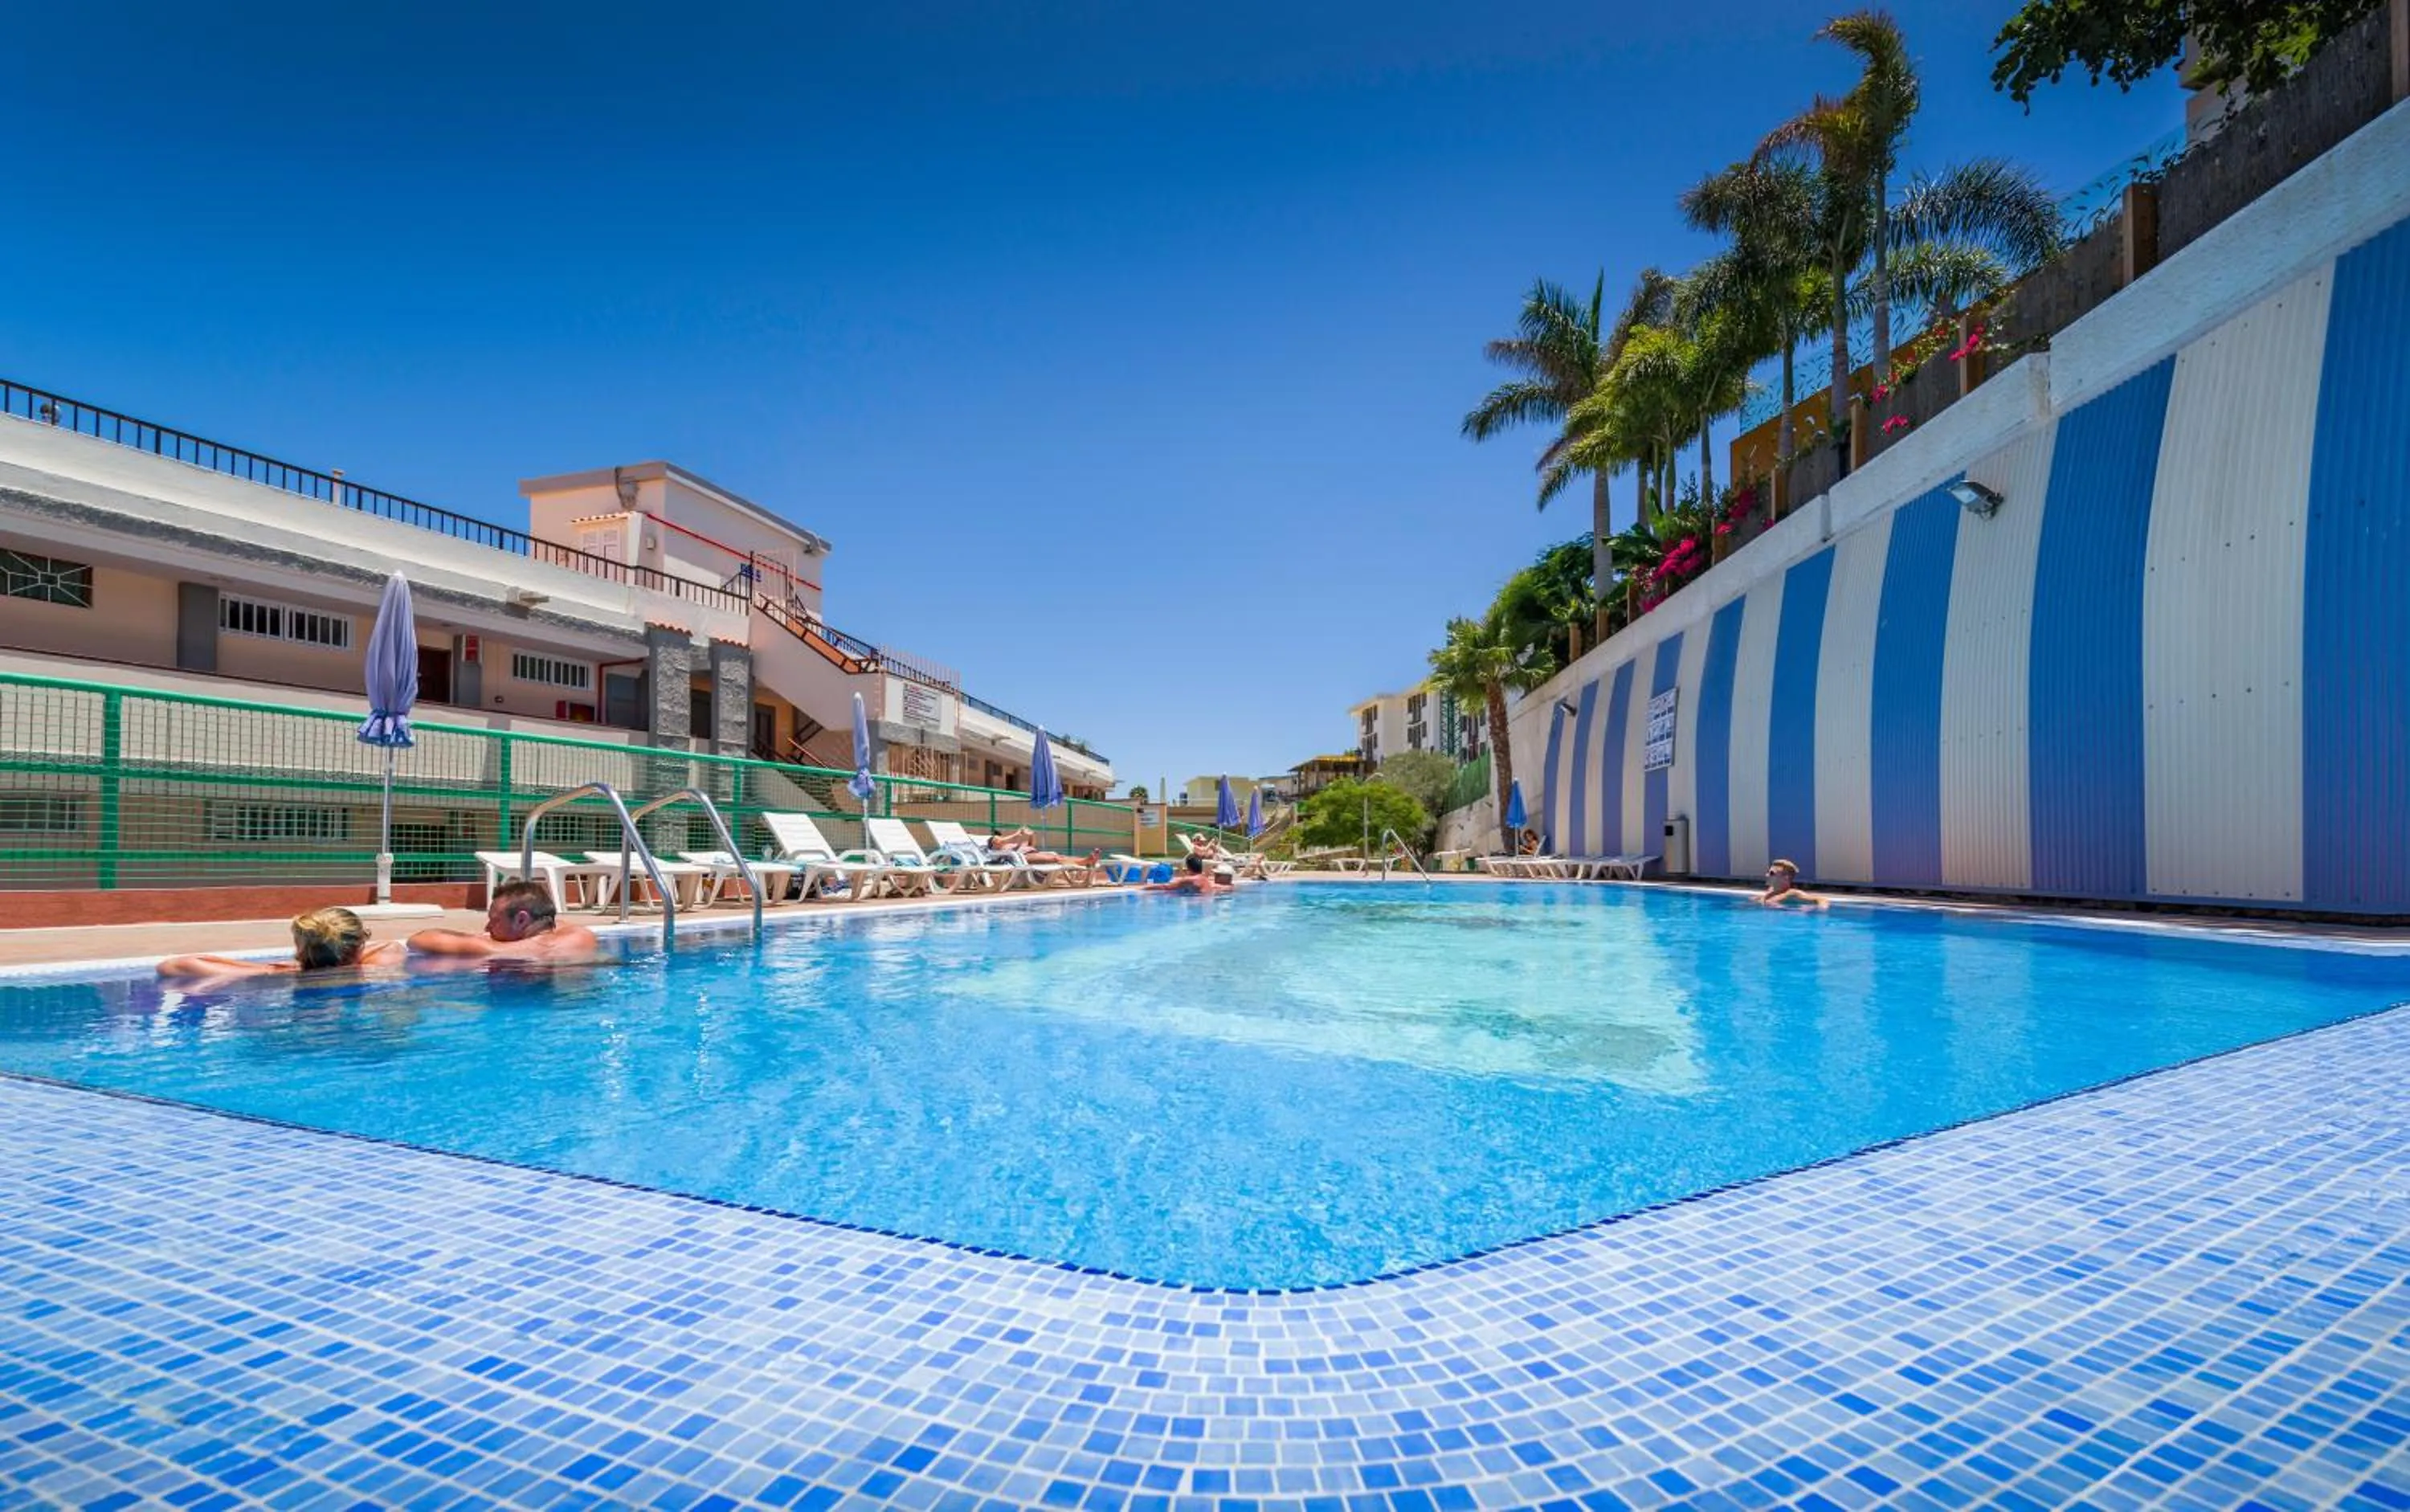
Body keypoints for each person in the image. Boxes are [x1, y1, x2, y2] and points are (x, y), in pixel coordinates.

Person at [158, 906, 405, 979]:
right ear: (359, 944)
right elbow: (393, 946)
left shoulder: (276, 975)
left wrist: (276, 968)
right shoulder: (376, 968)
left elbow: (171, 966)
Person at [407, 880, 601, 961]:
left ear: (521, 920)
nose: (488, 927)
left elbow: (419, 940)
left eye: (494, 920)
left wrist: (482, 939)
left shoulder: (493, 950)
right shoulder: (582, 937)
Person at [1147, 853, 1232, 895]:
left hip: (1196, 905)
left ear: (1188, 868)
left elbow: (1165, 887)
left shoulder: (1189, 880)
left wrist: (1142, 888)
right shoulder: (1205, 879)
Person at [1756, 859, 1827, 909]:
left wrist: (1820, 912)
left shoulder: (1792, 894)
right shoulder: (1771, 893)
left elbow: (1821, 899)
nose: (1767, 875)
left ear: (1786, 877)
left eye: (1772, 873)